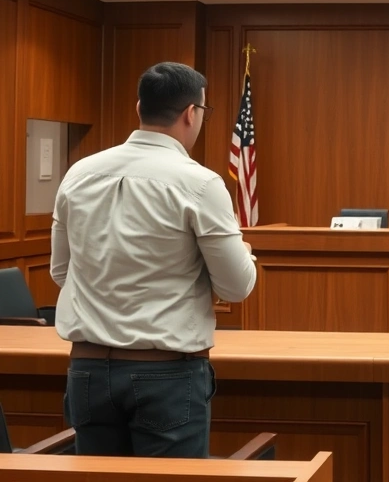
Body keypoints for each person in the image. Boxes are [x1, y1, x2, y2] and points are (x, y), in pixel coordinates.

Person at [50, 62, 257, 457]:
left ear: (139, 106)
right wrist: (244, 252)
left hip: (88, 370)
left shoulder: (78, 173)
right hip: (167, 374)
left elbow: (62, 272)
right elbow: (236, 286)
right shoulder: (199, 183)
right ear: (191, 114)